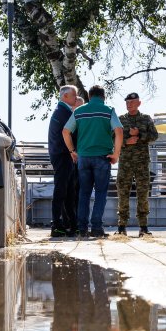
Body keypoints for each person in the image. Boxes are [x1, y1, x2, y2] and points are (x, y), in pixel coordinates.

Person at [63, 85, 122, 238]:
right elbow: (119, 131)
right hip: (103, 157)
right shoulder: (109, 110)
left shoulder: (79, 111)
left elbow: (65, 131)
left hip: (83, 157)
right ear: (103, 96)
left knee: (84, 193)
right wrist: (116, 154)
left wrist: (72, 151)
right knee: (101, 193)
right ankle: (96, 228)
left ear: (89, 96)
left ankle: (82, 229)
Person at [116, 92, 159, 237]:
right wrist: (126, 142)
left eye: (132, 102)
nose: (129, 104)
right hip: (125, 163)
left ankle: (143, 226)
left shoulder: (146, 119)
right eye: (127, 102)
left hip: (141, 163)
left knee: (143, 193)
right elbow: (112, 138)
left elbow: (154, 136)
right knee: (123, 193)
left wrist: (139, 135)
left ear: (139, 103)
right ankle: (122, 226)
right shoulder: (120, 119)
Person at [47, 85, 80, 238]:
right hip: (63, 155)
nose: (76, 98)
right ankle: (57, 225)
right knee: (62, 190)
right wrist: (73, 151)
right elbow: (70, 134)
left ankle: (71, 224)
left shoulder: (60, 111)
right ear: (65, 96)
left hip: (61, 154)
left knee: (68, 192)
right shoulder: (65, 112)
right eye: (74, 95)